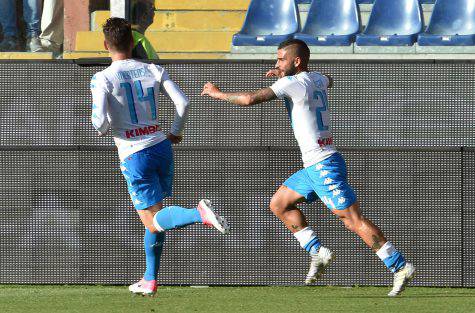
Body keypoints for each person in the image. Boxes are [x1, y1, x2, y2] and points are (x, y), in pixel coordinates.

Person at [201, 39, 415, 297]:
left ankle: (399, 266)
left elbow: (248, 99)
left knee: (352, 220)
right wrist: (284, 74)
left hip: (323, 165)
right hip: (315, 165)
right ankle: (317, 251)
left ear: (297, 61)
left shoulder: (292, 83)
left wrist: (218, 93)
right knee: (279, 204)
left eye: (281, 59)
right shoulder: (316, 79)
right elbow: (328, 78)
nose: (276, 63)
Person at [90, 17, 229, 296]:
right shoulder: (152, 68)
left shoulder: (102, 78)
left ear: (106, 44)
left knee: (152, 221)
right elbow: (183, 101)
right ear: (133, 43)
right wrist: (175, 132)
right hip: (161, 147)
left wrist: (106, 127)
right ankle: (150, 279)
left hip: (134, 154)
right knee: (158, 216)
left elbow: (98, 122)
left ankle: (198, 213)